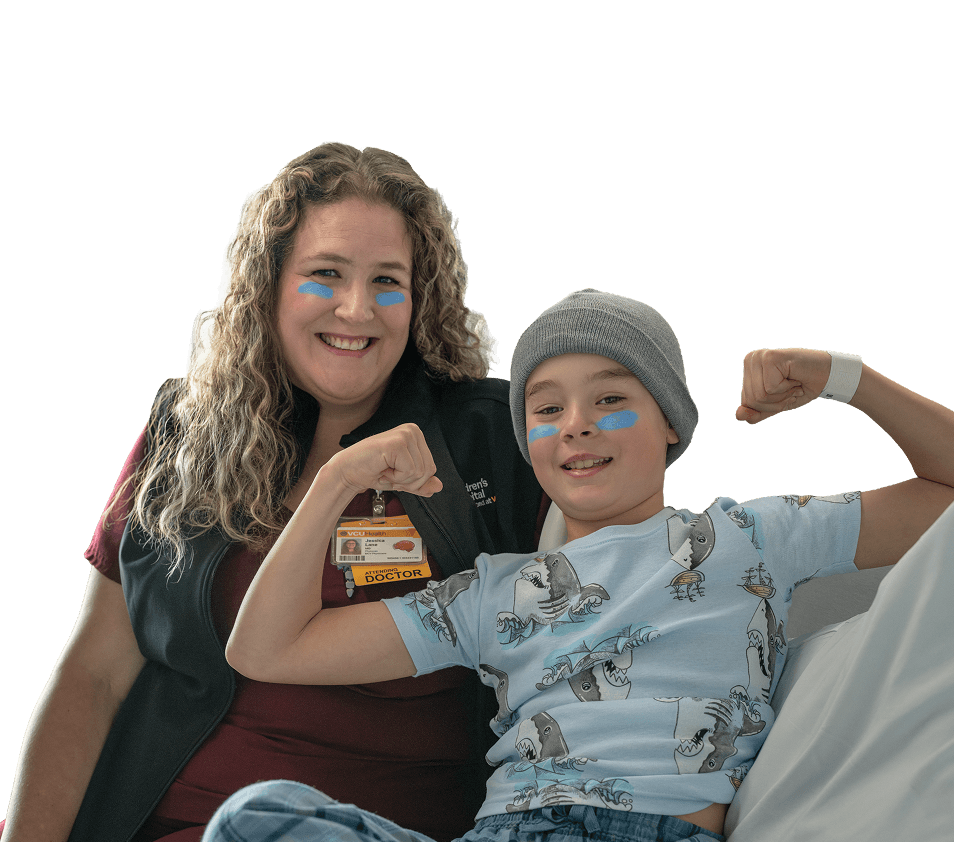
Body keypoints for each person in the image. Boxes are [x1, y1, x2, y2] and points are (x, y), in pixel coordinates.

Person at [202, 289, 953, 842]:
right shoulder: (491, 593)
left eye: (612, 399)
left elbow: (945, 492)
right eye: (547, 409)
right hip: (505, 831)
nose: (579, 425)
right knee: (254, 817)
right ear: (529, 442)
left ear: (669, 422)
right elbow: (264, 647)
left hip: (659, 831)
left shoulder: (753, 535)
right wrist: (339, 479)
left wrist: (843, 379)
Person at [2, 143, 545, 842]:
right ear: (268, 285)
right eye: (325, 274)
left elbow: (634, 548)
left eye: (388, 281)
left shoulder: (495, 439)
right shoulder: (184, 430)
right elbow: (94, 674)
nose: (357, 309)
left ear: (421, 298)